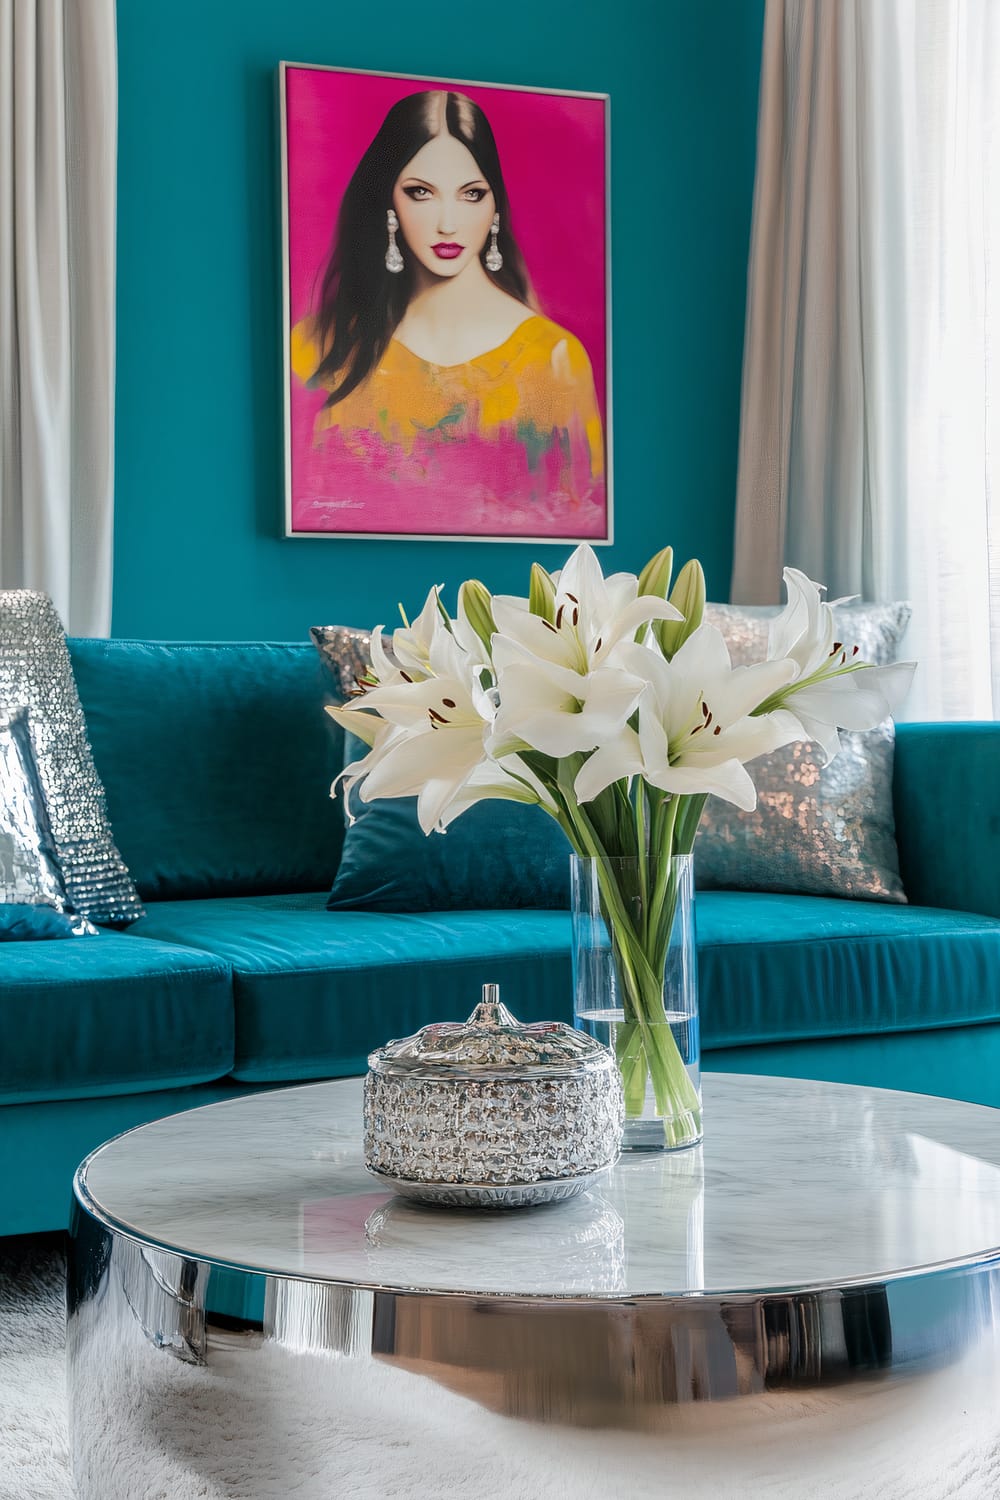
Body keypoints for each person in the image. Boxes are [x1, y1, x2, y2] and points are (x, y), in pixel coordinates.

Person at [290, 89, 605, 536]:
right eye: (421, 192)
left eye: (471, 194)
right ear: (389, 203)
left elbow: (580, 536)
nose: (448, 223)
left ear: (494, 206)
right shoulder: (314, 348)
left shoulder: (553, 359)